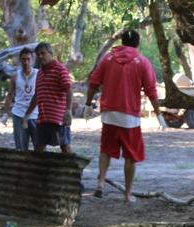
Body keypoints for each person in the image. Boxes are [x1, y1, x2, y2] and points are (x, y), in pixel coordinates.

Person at [86, 29, 160, 203]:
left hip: (109, 115)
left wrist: (87, 104)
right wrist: (158, 113)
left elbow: (93, 82)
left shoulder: (108, 59)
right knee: (131, 156)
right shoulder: (142, 61)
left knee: (106, 150)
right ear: (137, 44)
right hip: (130, 117)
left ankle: (100, 184)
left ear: (122, 42)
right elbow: (151, 90)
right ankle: (127, 194)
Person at [24, 42, 73, 154]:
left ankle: (72, 171)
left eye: (43, 53)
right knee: (39, 148)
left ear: (50, 53)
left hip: (58, 119)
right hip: (42, 119)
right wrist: (27, 115)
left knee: (65, 147)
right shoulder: (40, 73)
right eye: (38, 54)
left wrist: (68, 111)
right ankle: (41, 171)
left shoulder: (60, 70)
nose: (40, 56)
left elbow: (69, 89)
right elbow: (37, 96)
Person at [4, 47, 38, 151]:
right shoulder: (15, 76)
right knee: (21, 147)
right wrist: (6, 112)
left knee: (39, 145)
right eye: (23, 59)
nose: (26, 62)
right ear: (20, 60)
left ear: (32, 59)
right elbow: (10, 95)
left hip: (36, 114)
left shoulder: (39, 74)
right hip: (19, 113)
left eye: (28, 59)